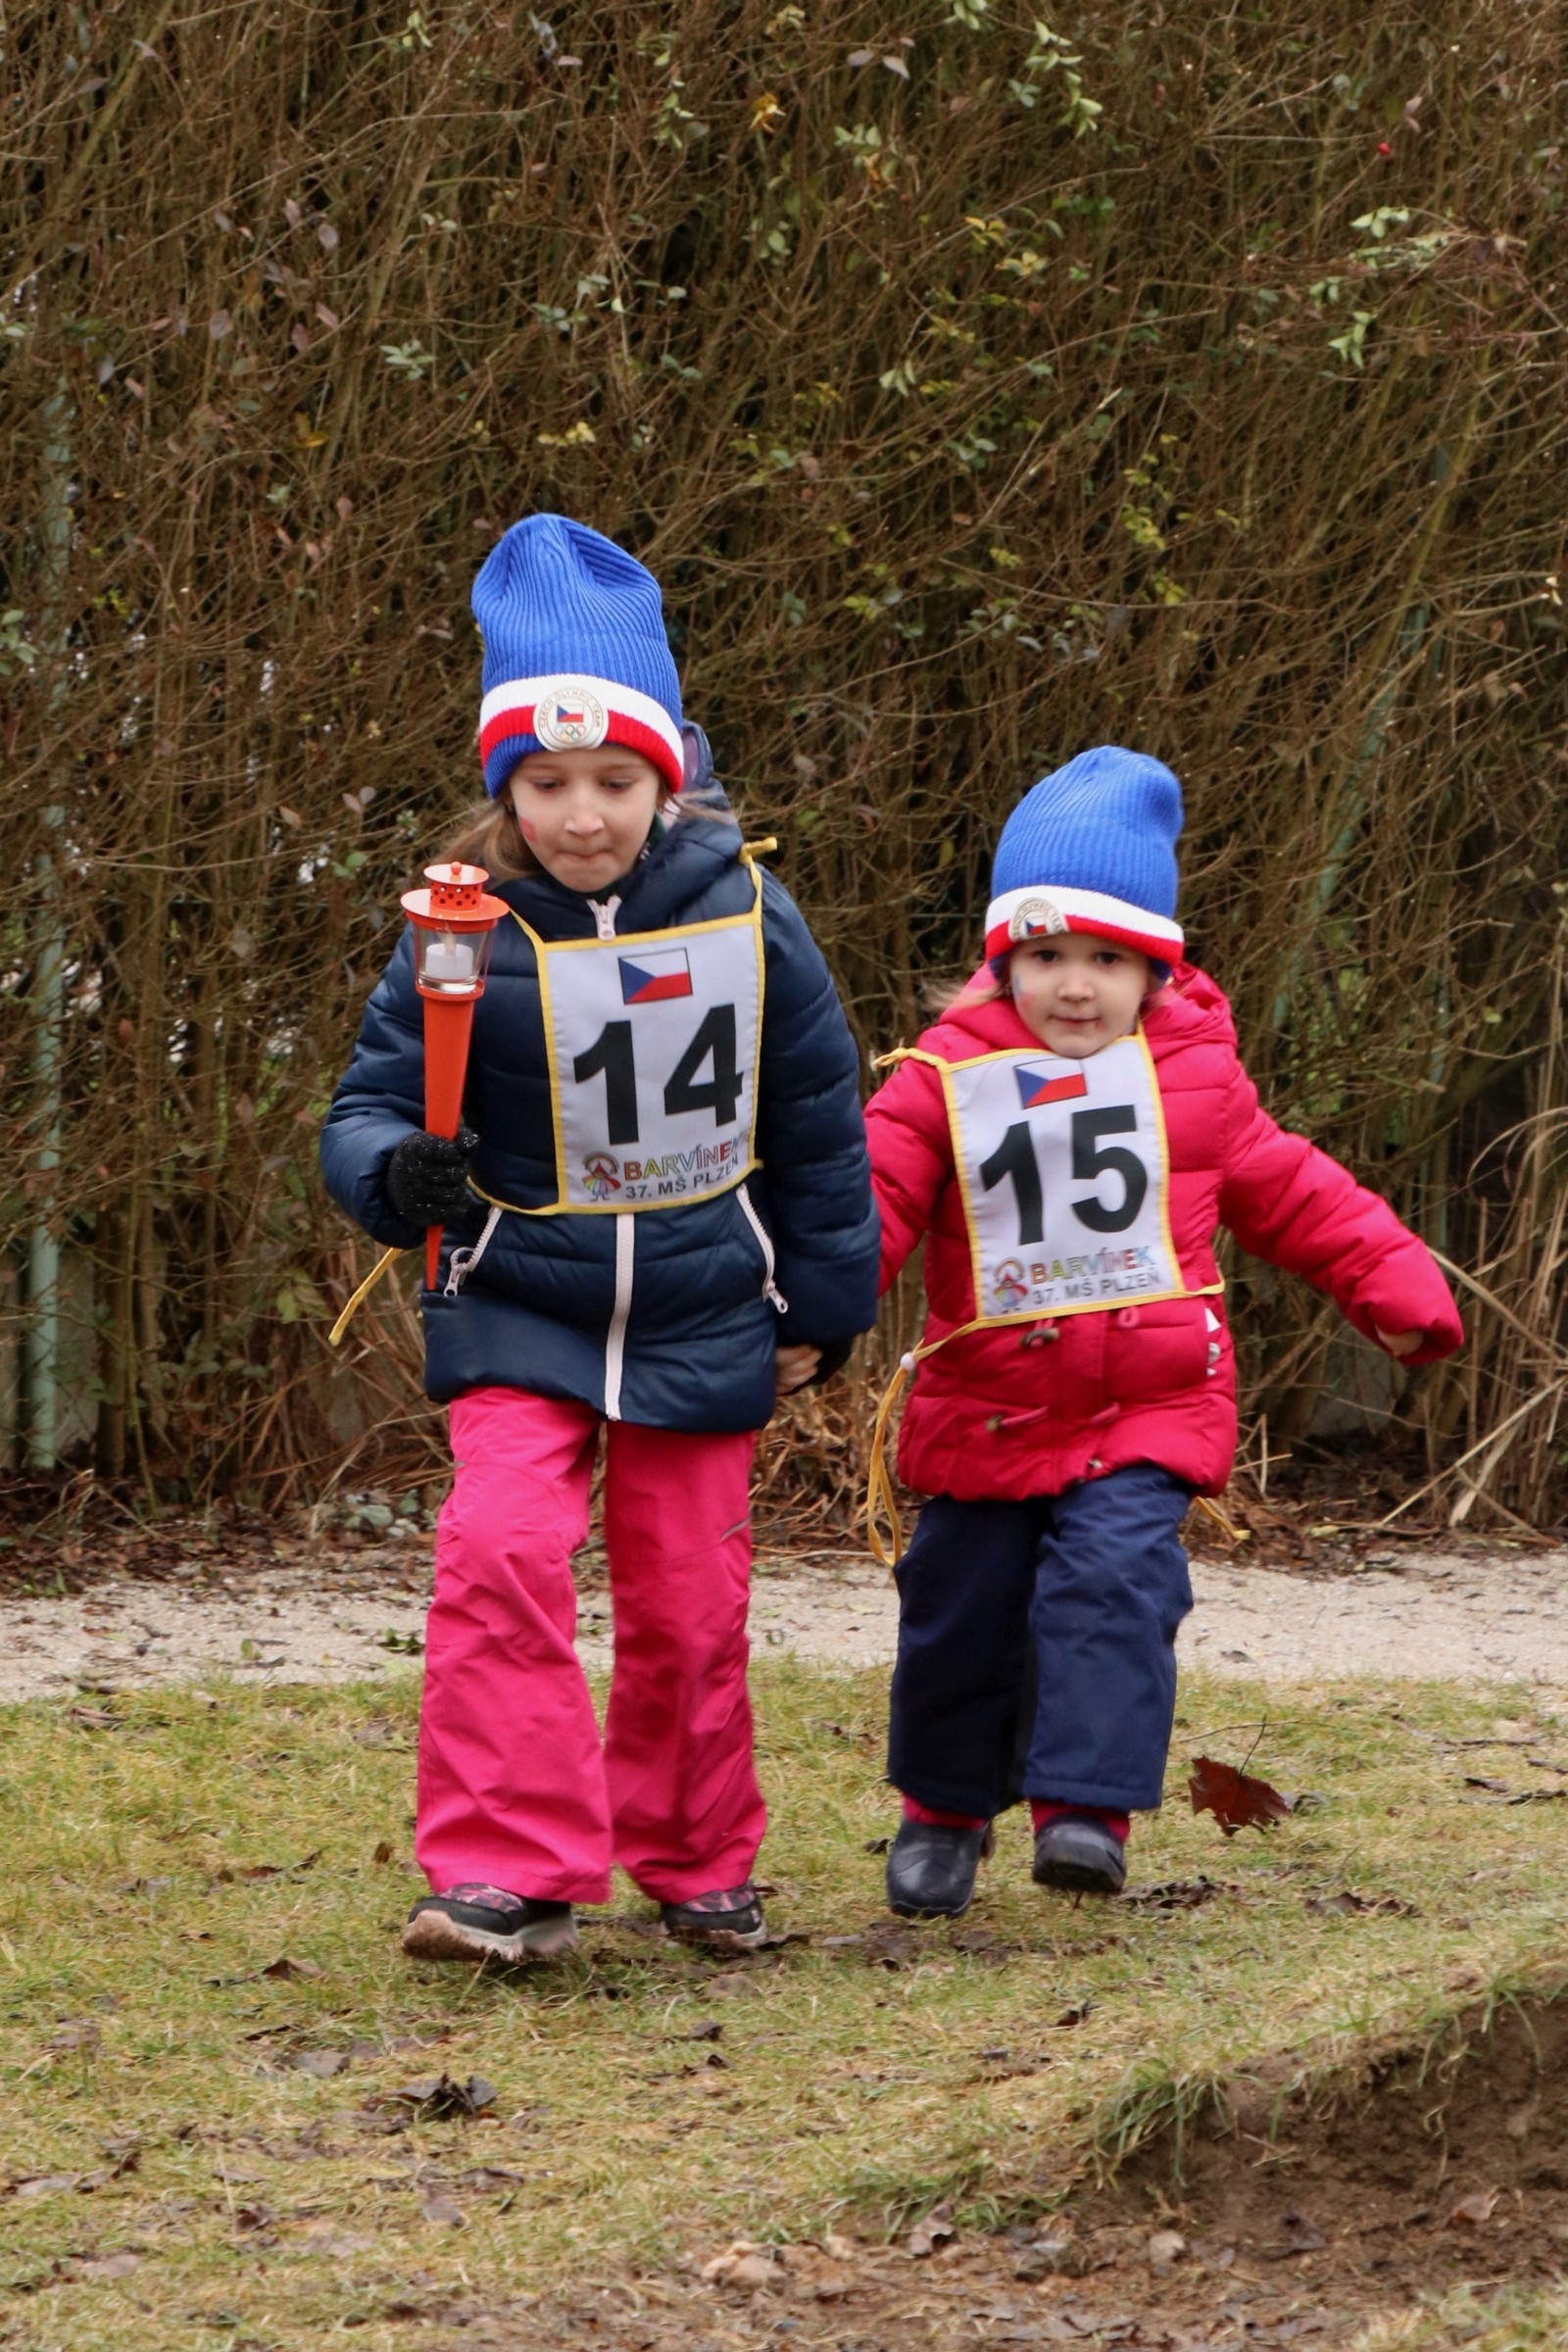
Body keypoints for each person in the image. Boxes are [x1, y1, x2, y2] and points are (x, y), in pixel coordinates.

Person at [321, 514, 879, 1963]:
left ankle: (695, 1858)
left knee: (690, 1598)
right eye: (549, 784)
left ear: (666, 775)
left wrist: (828, 1300)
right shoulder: (455, 933)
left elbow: (818, 1120)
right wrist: (395, 1175)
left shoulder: (754, 915)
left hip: (703, 1303)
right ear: (506, 788)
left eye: (616, 782)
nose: (583, 816)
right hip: (518, 1296)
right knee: (499, 1552)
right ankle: (506, 1871)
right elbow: (368, 1106)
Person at [863, 746, 1462, 1917]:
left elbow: (1296, 1194)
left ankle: (1084, 1809)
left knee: (1116, 1586)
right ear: (1002, 960)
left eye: (1107, 959)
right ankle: (941, 1811)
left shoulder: (1194, 1079)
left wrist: (1394, 1285)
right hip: (984, 1404)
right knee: (958, 1609)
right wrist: (812, 1313)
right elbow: (872, 1198)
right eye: (1045, 956)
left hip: (1143, 1406)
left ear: (1154, 968)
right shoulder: (940, 1077)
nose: (1074, 986)